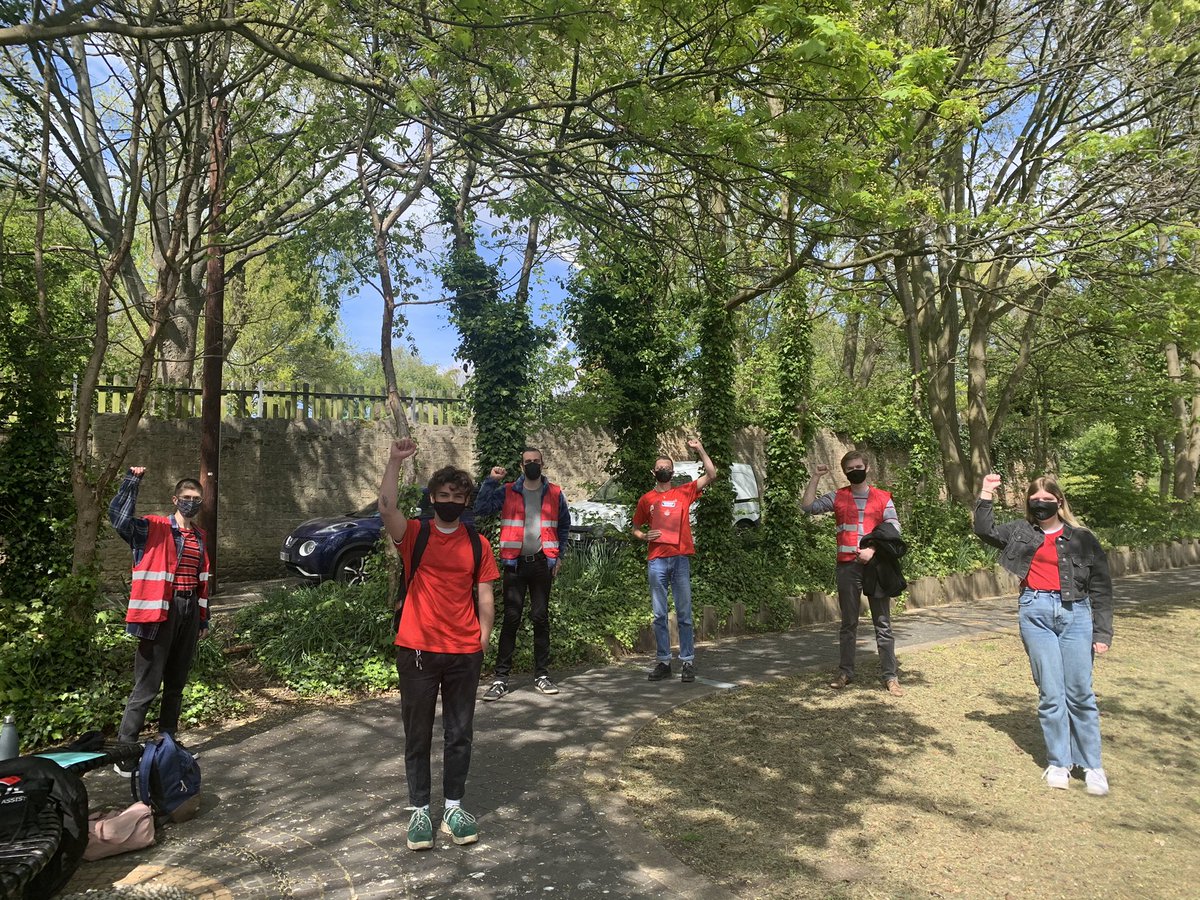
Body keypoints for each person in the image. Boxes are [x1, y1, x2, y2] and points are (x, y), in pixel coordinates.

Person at [379, 438, 499, 850]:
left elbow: (485, 595)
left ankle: (453, 808)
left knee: (459, 733)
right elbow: (386, 508)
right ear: (431, 498)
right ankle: (418, 810)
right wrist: (394, 461)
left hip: (464, 653)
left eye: (457, 496)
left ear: (467, 502)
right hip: (417, 650)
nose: (450, 502)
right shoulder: (416, 533)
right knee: (417, 734)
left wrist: (483, 639)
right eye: (443, 495)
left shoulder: (478, 543)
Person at [974, 473, 1113, 795]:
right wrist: (986, 493)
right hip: (1035, 612)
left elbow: (1101, 586)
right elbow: (984, 530)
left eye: (1047, 500)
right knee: (1051, 692)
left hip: (1076, 615)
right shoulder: (1020, 532)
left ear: (1059, 502)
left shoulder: (1082, 538)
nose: (1041, 505)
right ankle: (1059, 761)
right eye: (1035, 500)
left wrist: (1103, 631)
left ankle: (1092, 765)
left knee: (1080, 692)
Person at [109, 467, 209, 770]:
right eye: (186, 498)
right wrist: (132, 481)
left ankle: (168, 743)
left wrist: (202, 620)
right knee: (147, 686)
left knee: (176, 684)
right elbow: (119, 519)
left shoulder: (199, 537)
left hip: (189, 612)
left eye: (196, 499)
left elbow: (201, 580)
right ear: (175, 500)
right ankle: (124, 753)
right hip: (159, 612)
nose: (191, 503)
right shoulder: (152, 528)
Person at [801, 450, 905, 695]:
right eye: (850, 469)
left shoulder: (883, 498)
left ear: (867, 468)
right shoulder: (838, 497)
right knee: (848, 623)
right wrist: (815, 477)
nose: (855, 471)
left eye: (858, 467)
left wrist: (872, 549)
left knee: (883, 623)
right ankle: (845, 672)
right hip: (847, 566)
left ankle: (890, 677)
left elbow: (894, 529)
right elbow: (807, 507)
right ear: (845, 472)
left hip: (876, 566)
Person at [473, 447, 570, 701]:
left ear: (543, 464)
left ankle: (542, 675)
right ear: (521, 466)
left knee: (540, 618)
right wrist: (491, 481)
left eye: (536, 461)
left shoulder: (554, 493)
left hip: (542, 563)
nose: (532, 464)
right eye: (528, 461)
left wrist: (559, 555)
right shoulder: (508, 491)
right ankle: (501, 679)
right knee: (511, 619)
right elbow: (481, 508)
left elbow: (564, 525)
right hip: (514, 564)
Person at [631, 439, 716, 684]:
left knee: (684, 613)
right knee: (659, 615)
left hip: (680, 559)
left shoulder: (684, 492)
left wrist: (700, 449)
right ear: (653, 472)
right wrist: (644, 536)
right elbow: (635, 527)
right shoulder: (646, 499)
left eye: (667, 467)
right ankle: (664, 662)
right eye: (659, 468)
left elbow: (712, 474)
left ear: (673, 472)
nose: (663, 470)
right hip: (657, 561)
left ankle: (687, 661)